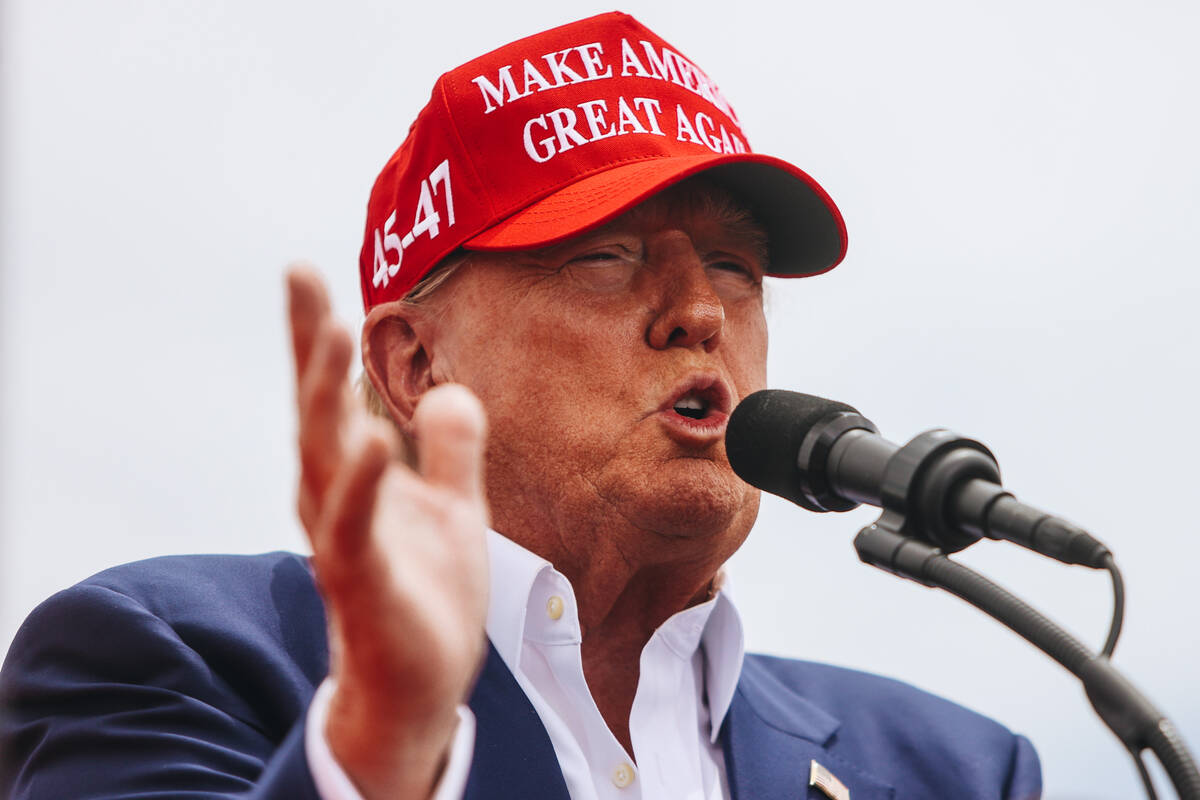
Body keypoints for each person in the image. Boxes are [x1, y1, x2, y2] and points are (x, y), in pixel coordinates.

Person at [0, 11, 1041, 800]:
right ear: (414, 363)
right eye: (607, 256)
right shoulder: (168, 654)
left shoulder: (958, 768)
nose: (697, 312)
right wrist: (376, 747)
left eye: (734, 264)